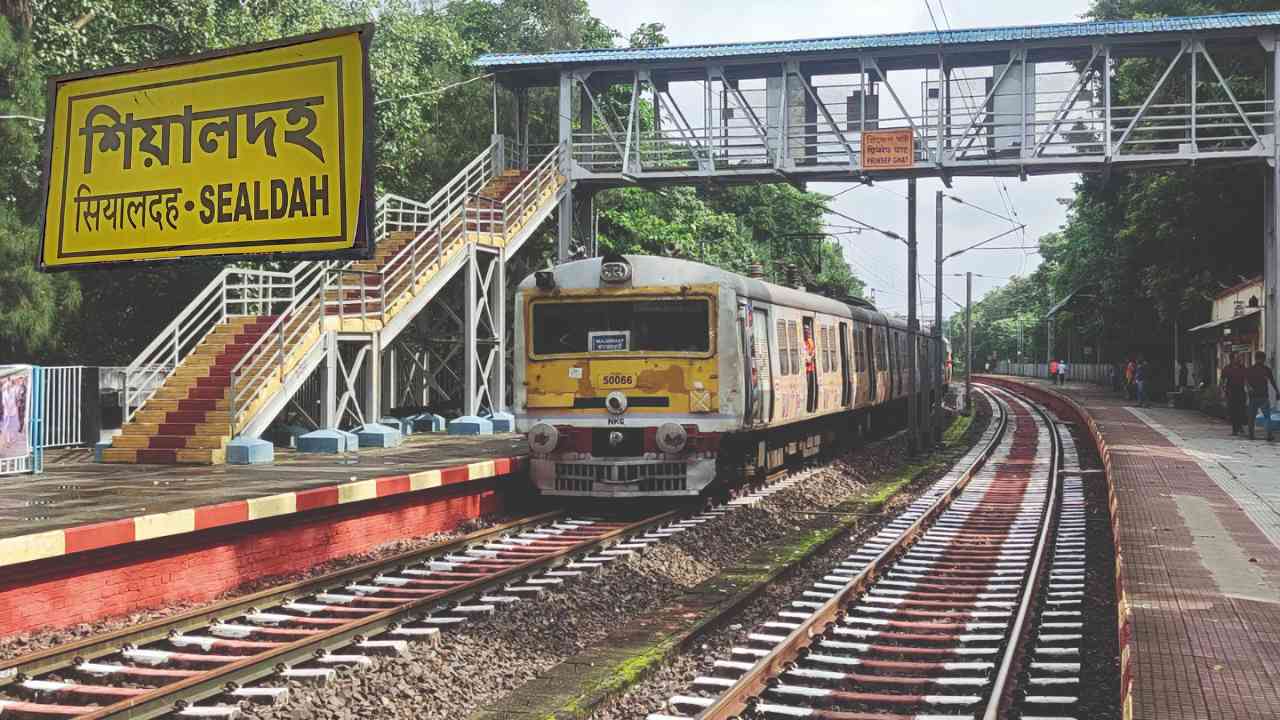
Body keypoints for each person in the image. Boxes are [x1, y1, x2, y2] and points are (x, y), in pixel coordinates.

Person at [1245, 351, 1279, 441]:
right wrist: (1277, 391)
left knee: (1251, 417)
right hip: (1263, 396)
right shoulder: (1266, 369)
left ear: (1255, 358)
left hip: (1253, 397)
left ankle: (1251, 435)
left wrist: (1249, 389)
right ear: (1262, 359)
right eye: (1263, 359)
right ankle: (1269, 435)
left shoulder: (1250, 369)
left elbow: (1246, 382)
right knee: (1267, 417)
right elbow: (1272, 381)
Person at [1223, 354, 1249, 436]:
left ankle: (1240, 426)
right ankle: (1235, 429)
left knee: (1241, 409)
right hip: (1231, 392)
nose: (1238, 359)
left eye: (1239, 357)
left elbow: (1246, 379)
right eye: (1236, 358)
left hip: (1241, 391)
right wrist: (1222, 390)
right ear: (1232, 359)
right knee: (1233, 411)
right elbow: (1223, 379)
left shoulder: (1242, 367)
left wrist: (1248, 389)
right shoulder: (1227, 368)